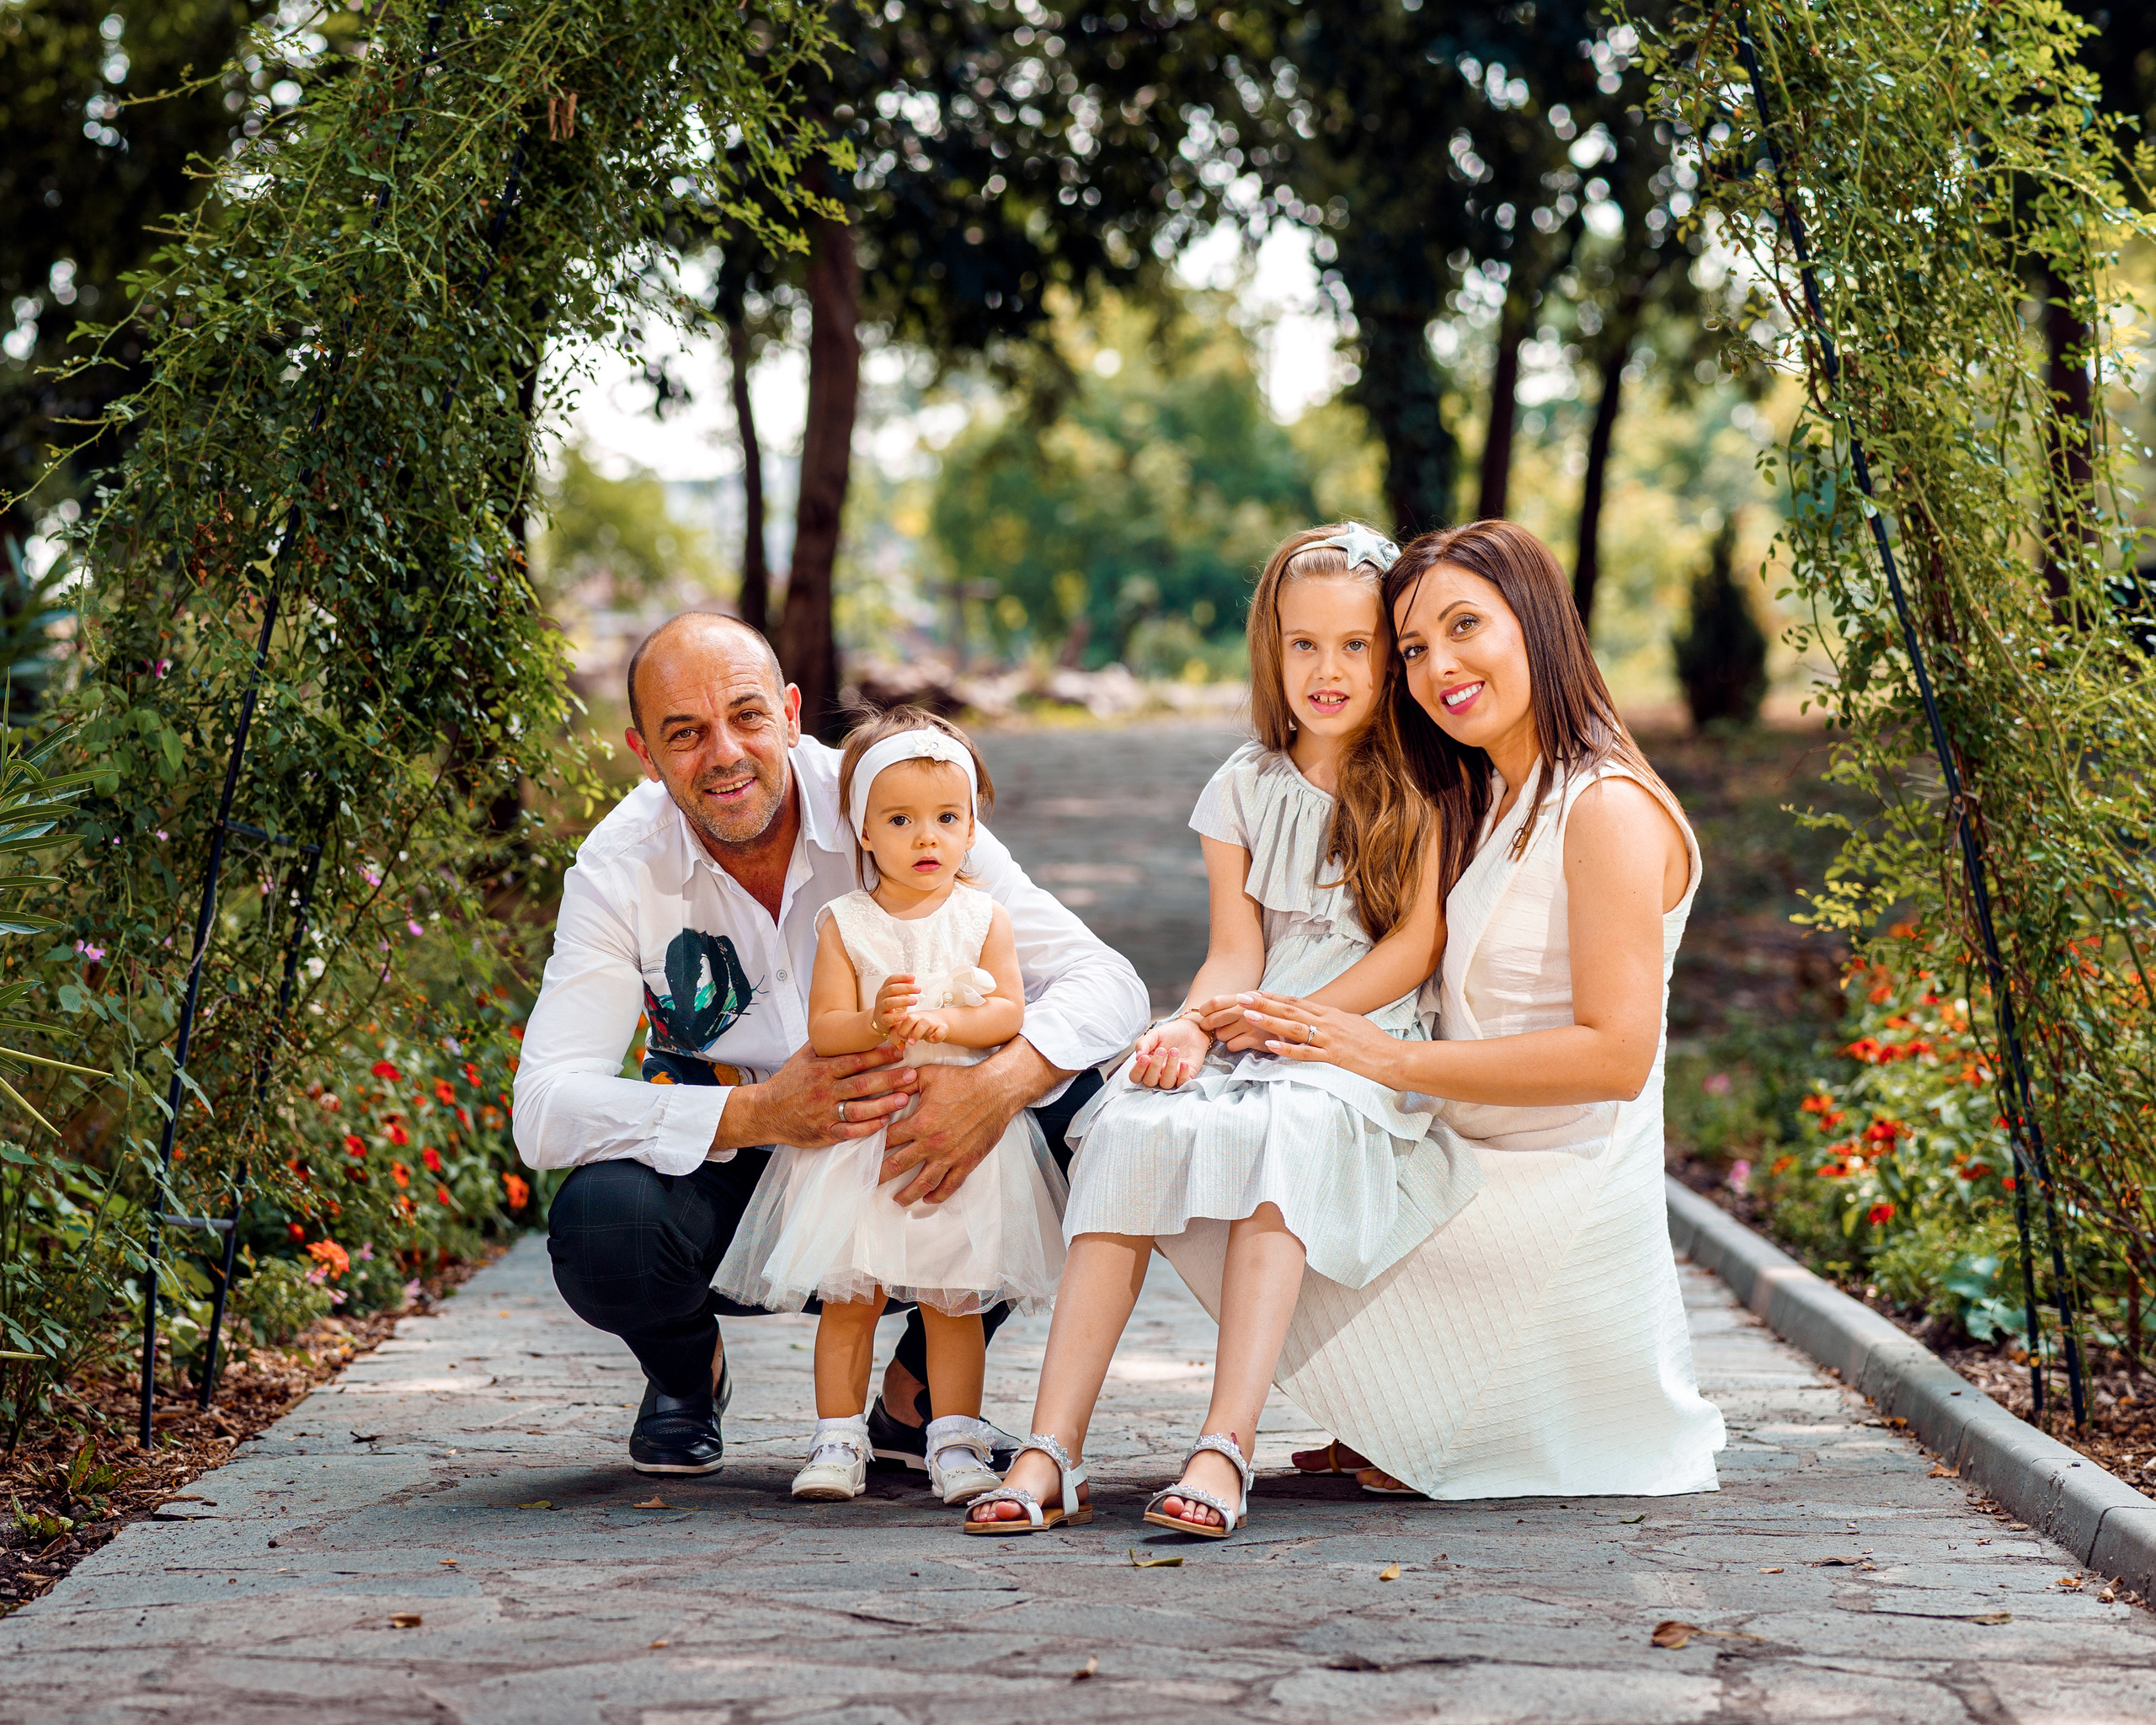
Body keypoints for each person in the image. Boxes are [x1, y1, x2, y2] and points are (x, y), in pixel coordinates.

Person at [515, 614, 1147, 1475]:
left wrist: (995, 1087)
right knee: (603, 1223)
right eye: (685, 734)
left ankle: (914, 1395)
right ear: (643, 752)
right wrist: (757, 1110)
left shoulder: (897, 798)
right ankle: (683, 1371)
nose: (726, 752)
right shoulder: (618, 867)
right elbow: (545, 1108)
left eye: (746, 716)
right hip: (740, 1156)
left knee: (1091, 1111)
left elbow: (1104, 981)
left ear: (789, 710)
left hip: (911, 1145)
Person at [963, 524, 1481, 1541]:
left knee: (1289, 1123)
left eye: (1354, 646)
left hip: (1359, 1028)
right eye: (1302, 645)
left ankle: (1224, 1442)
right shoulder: (1241, 784)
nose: (1326, 671)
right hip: (1258, 1012)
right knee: (1129, 1121)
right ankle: (1050, 1446)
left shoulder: (1424, 780)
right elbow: (1234, 949)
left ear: (1390, 653)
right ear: (1270, 649)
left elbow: (1415, 945)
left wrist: (1306, 1022)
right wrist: (1192, 1025)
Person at [1230, 519, 1726, 1498]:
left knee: (1265, 1173)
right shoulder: (1497, 789)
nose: (1436, 666)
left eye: (1465, 627)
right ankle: (1398, 1405)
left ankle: (1444, 1405)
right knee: (1218, 1133)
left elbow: (1614, 1057)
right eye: (1412, 647)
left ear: (1536, 624)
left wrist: (1383, 1058)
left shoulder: (1605, 807)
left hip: (1552, 1177)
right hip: (1467, 1142)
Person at [713, 708, 1066, 1505]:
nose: (925, 837)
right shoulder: (847, 923)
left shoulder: (984, 917)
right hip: (862, 1141)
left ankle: (953, 1441)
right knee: (851, 1299)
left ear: (973, 826)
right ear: (863, 833)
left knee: (953, 1302)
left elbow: (1009, 1012)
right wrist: (874, 1021)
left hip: (955, 1137)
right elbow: (825, 1027)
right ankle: (837, 1439)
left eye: (947, 818)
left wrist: (951, 1024)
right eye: (900, 820)